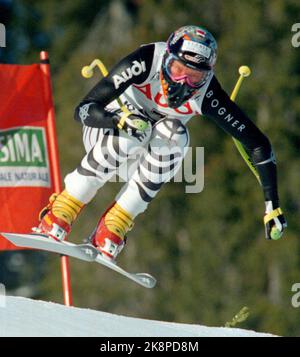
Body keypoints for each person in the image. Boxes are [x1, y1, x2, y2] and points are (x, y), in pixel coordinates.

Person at [35, 25, 287, 261]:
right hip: (105, 138)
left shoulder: (209, 94)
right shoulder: (146, 60)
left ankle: (115, 224)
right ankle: (61, 210)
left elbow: (258, 145)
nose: (182, 83)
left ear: (207, 75)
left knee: (175, 135)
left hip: (144, 163)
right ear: (167, 58)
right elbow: (84, 110)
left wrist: (271, 205)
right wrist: (117, 119)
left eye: (194, 76)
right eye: (178, 70)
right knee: (135, 130)